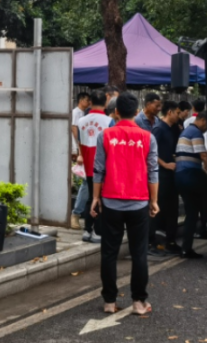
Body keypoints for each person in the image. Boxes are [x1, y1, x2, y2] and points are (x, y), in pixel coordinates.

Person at [90, 92, 158, 317]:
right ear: (137, 112)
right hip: (139, 202)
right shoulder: (148, 137)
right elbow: (153, 172)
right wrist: (154, 200)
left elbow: (98, 169)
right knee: (139, 253)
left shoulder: (105, 135)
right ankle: (139, 302)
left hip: (111, 202)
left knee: (109, 253)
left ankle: (109, 301)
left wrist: (95, 198)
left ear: (116, 112)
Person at [76, 90, 113, 243]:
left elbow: (80, 141)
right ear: (105, 103)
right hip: (103, 166)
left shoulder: (81, 121)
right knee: (100, 198)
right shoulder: (109, 122)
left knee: (91, 197)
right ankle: (98, 231)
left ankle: (87, 230)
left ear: (90, 102)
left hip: (87, 164)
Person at [150, 100, 185, 255]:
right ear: (169, 112)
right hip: (161, 175)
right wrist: (164, 164)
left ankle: (171, 241)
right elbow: (150, 152)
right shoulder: (158, 129)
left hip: (173, 174)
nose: (179, 115)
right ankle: (152, 242)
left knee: (173, 209)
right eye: (177, 112)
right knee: (158, 208)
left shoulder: (175, 128)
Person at [175, 109, 207, 259]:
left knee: (191, 213)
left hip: (180, 175)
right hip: (190, 175)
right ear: (203, 120)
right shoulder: (195, 132)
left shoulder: (186, 131)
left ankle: (186, 248)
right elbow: (203, 155)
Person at [70, 92, 91, 162]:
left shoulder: (84, 112)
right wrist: (77, 143)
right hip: (77, 142)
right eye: (87, 100)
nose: (89, 103)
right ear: (81, 101)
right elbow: (74, 127)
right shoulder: (75, 112)